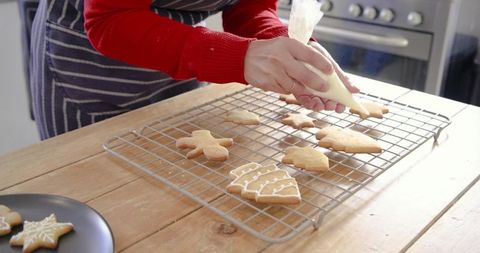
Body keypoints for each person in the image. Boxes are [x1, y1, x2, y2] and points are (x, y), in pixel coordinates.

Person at [21, 0, 358, 140]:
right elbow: (110, 19)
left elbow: (250, 7)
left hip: (185, 57)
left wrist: (285, 42)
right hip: (89, 68)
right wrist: (241, 57)